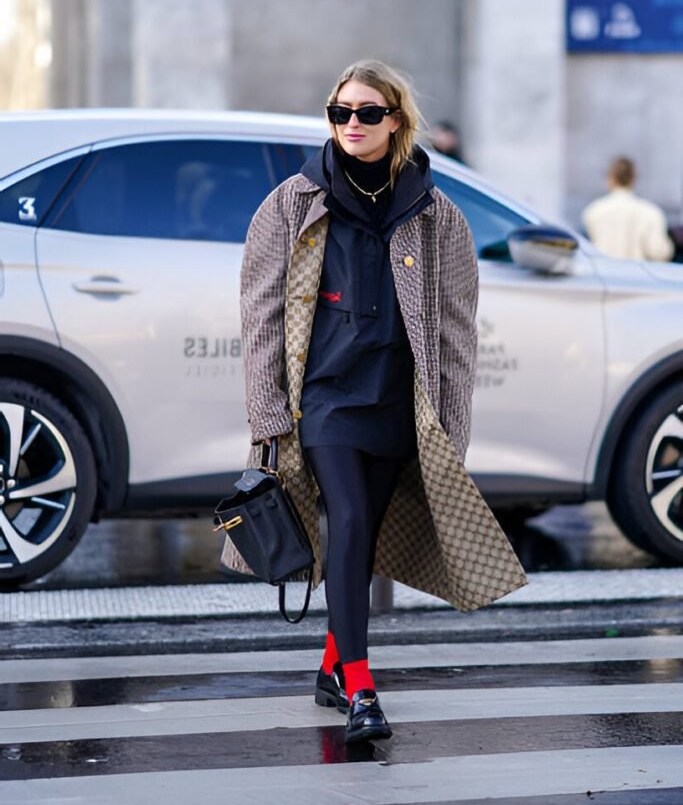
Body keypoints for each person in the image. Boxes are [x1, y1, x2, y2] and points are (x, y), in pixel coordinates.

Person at [222, 59, 526, 745]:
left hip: (397, 401)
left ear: (397, 121)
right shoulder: (290, 204)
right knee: (351, 518)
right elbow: (260, 317)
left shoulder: (437, 216)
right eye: (339, 112)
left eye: (366, 113)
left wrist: (450, 426)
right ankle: (361, 688)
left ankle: (332, 666)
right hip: (324, 399)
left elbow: (456, 332)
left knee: (363, 540)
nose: (350, 124)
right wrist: (267, 411)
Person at [582, 157, 673, 262]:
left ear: (610, 178)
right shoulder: (651, 212)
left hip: (603, 270)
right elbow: (659, 252)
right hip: (637, 272)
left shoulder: (593, 211)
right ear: (633, 178)